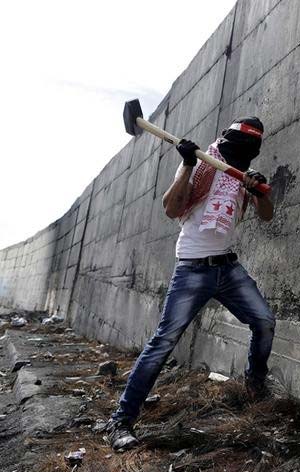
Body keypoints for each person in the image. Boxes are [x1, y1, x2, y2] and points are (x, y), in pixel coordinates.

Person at [104, 117, 275, 451]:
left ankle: (254, 388)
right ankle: (121, 421)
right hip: (192, 270)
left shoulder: (241, 177)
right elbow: (171, 208)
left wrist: (257, 190)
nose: (238, 156)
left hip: (227, 266)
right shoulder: (203, 167)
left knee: (264, 321)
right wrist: (186, 164)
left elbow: (266, 214)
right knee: (163, 342)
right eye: (235, 148)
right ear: (224, 142)